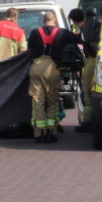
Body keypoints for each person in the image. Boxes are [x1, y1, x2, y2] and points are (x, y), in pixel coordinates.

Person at [26, 12, 80, 144]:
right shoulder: (63, 33)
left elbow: (29, 48)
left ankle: (40, 134)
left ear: (44, 21)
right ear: (54, 21)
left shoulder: (35, 32)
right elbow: (78, 39)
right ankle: (52, 132)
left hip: (36, 67)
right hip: (52, 68)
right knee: (52, 101)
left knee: (38, 101)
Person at [76, 10, 101, 134]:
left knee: (87, 91)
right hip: (99, 61)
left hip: (92, 60)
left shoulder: (89, 28)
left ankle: (87, 121)